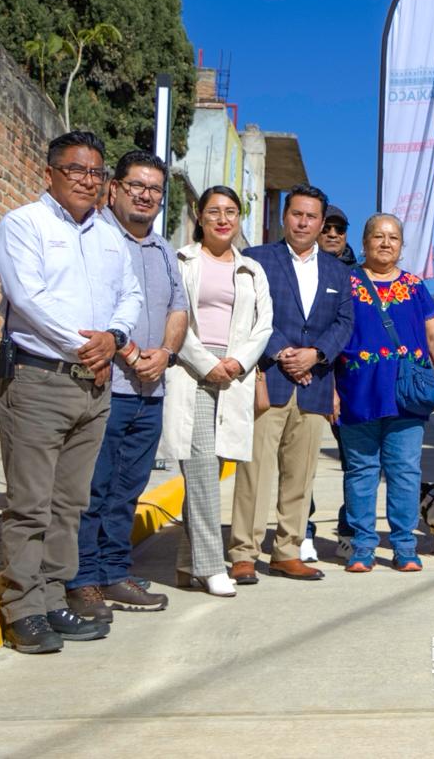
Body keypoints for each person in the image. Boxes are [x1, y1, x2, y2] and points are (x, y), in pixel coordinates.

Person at [0, 130, 143, 653]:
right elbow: (28, 300)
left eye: (96, 173)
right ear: (50, 173)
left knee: (69, 504)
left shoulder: (109, 237)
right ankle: (22, 608)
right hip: (38, 379)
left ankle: (54, 596)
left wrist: (115, 339)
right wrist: (89, 347)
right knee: (30, 503)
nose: (88, 180)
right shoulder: (22, 225)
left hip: (94, 384)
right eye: (76, 170)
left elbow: (131, 295)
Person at [65, 151, 186, 622]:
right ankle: (83, 581)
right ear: (113, 189)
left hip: (150, 393)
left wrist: (166, 355)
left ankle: (116, 571)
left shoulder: (163, 250)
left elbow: (180, 308)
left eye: (155, 189)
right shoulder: (93, 238)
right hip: (104, 387)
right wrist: (132, 353)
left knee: (126, 492)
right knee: (92, 491)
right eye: (136, 185)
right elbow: (90, 307)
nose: (146, 195)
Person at [227, 184, 354, 583]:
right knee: (255, 472)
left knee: (300, 476)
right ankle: (244, 552)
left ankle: (287, 550)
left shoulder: (337, 271)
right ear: (284, 217)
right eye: (297, 214)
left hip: (314, 384)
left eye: (311, 216)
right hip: (271, 379)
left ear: (321, 223)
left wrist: (315, 354)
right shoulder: (257, 259)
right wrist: (284, 353)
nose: (303, 222)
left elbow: (344, 323)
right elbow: (249, 313)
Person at [160, 186, 272, 597]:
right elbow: (175, 317)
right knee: (202, 470)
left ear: (239, 217)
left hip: (235, 376)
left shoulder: (252, 269)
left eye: (230, 211)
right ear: (199, 216)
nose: (223, 219)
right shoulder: (182, 261)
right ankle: (211, 567)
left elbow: (264, 324)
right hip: (192, 371)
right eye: (214, 212)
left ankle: (186, 563)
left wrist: (238, 362)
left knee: (213, 466)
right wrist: (207, 363)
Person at [334, 214, 434, 572]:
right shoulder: (346, 282)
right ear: (365, 241)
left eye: (393, 238)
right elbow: (330, 336)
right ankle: (362, 546)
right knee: (360, 471)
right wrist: (330, 392)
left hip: (406, 395)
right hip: (356, 393)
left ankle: (404, 545)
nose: (386, 243)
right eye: (378, 236)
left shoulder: (415, 287)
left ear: (402, 246)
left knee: (404, 471)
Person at [309, 204, 357, 562]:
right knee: (301, 462)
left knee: (355, 463)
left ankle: (348, 530)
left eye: (339, 229)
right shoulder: (300, 269)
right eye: (327, 227)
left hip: (350, 383)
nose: (332, 234)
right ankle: (302, 530)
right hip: (306, 375)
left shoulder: (359, 276)